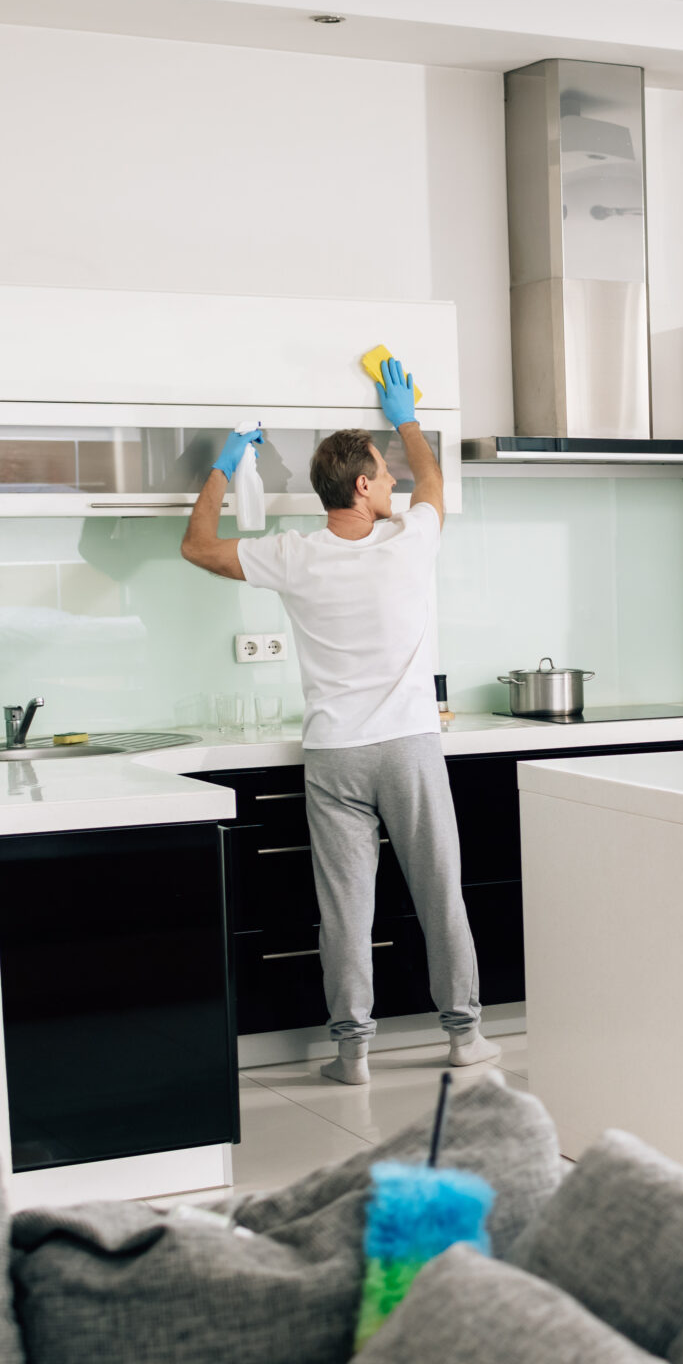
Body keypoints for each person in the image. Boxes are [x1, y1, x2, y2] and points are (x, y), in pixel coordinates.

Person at [179, 359, 497, 1083]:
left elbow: (197, 546)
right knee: (438, 891)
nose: (395, 485)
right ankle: (465, 1037)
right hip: (409, 747)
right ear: (363, 486)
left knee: (345, 909)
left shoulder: (292, 555)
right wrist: (406, 416)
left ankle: (351, 1052)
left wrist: (225, 468)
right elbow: (436, 484)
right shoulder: (411, 539)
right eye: (384, 476)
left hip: (334, 755)